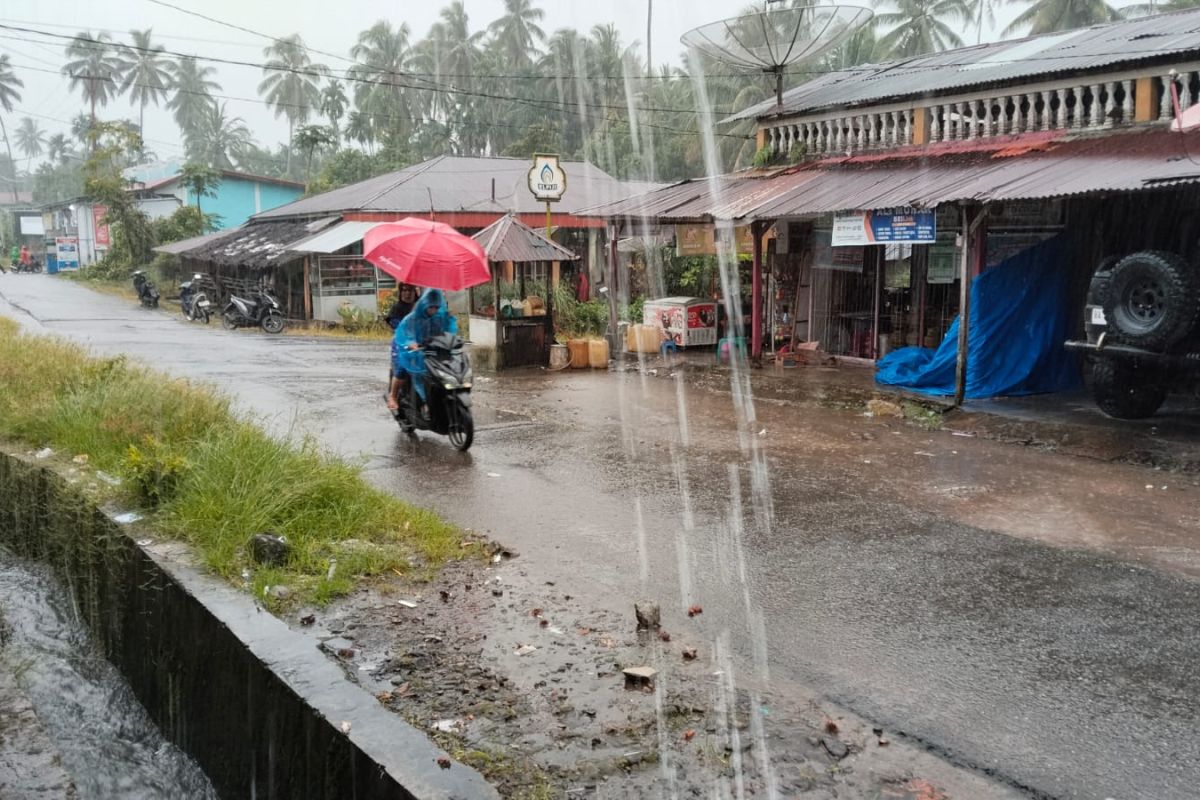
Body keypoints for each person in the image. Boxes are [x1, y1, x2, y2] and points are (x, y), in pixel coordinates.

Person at [387, 288, 458, 414]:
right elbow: (404, 332)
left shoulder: (440, 316)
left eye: (436, 307)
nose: (433, 310)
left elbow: (448, 330)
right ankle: (393, 396)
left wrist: (450, 329)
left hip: (431, 350)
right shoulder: (412, 318)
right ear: (424, 304)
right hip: (410, 349)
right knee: (403, 369)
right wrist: (410, 343)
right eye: (431, 307)